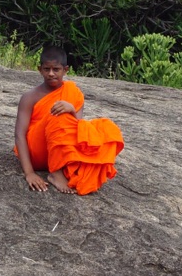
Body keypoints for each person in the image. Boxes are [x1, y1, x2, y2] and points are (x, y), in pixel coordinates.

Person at [12, 46, 124, 195]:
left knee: (107, 127)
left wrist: (71, 109)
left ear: (65, 70)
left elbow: (77, 129)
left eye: (56, 69)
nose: (51, 74)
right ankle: (56, 173)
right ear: (40, 69)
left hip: (60, 152)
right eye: (47, 69)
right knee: (57, 114)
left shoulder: (73, 93)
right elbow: (19, 135)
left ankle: (63, 166)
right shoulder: (29, 97)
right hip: (36, 152)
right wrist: (29, 173)